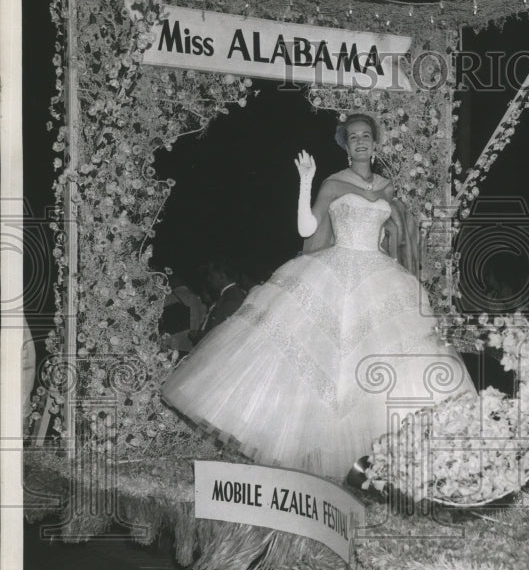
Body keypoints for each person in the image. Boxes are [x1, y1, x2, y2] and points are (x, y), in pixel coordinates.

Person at [162, 113, 473, 482]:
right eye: (353, 136)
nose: (360, 141)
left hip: (378, 276)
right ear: (346, 146)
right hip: (335, 268)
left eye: (366, 136)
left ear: (375, 144)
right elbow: (307, 228)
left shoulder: (388, 189)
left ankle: (380, 466)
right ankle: (315, 463)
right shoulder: (333, 183)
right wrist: (305, 181)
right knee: (320, 361)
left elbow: (392, 236)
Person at [188, 260, 246, 345]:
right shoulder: (228, 295)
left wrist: (198, 338)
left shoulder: (232, 298)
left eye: (211, 276)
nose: (209, 279)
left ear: (222, 276)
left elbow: (224, 333)